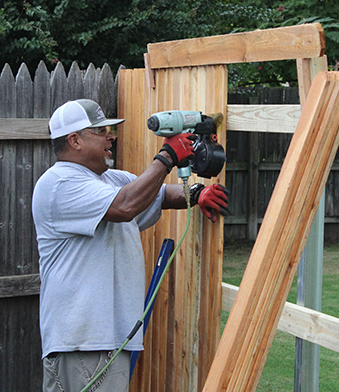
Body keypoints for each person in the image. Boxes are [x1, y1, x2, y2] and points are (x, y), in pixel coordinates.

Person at [32, 99, 230, 392]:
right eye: (100, 131)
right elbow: (125, 205)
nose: (111, 136)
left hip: (107, 340)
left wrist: (197, 193)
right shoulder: (59, 184)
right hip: (82, 343)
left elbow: (160, 194)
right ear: (74, 140)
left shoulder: (111, 180)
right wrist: (166, 156)